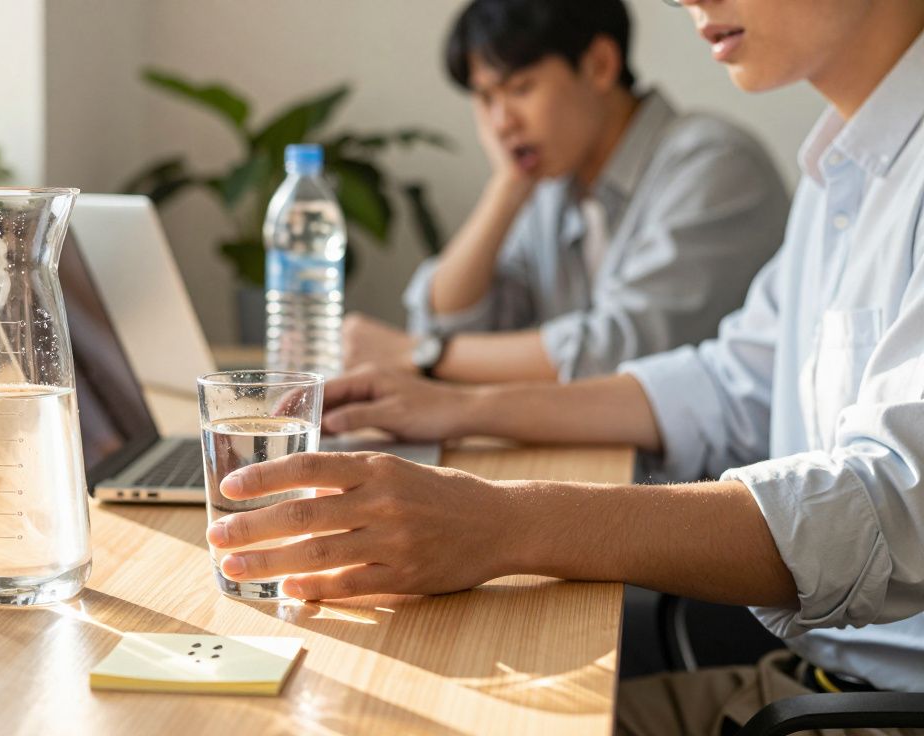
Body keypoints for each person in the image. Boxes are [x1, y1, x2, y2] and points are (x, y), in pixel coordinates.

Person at [207, 0, 924, 731]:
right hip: (804, 683)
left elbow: (889, 505)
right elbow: (727, 382)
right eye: (486, 100)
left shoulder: (732, 162)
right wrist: (459, 407)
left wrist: (505, 522)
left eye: (517, 89)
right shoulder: (840, 167)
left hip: (870, 710)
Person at [342, 0, 789, 385]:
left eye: (519, 88)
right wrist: (506, 188)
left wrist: (424, 355)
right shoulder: (552, 183)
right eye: (485, 99)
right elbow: (456, 320)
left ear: (599, 65)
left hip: (705, 477)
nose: (501, 122)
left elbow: (619, 351)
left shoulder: (715, 165)